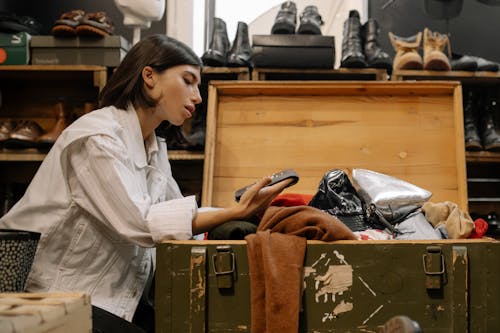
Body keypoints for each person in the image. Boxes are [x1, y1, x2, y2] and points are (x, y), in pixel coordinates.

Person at [0, 34, 292, 331]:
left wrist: (245, 214)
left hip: (108, 302)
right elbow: (140, 223)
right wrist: (234, 212)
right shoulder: (98, 138)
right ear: (149, 76)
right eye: (188, 80)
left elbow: (177, 219)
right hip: (50, 299)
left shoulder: (153, 148)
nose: (198, 96)